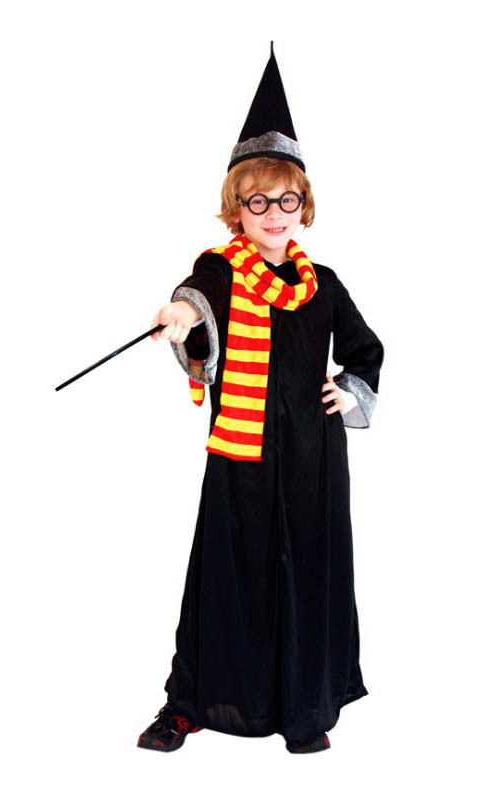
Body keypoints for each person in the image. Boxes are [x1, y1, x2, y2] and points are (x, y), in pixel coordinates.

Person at [136, 43, 384, 755]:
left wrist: (351, 391)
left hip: (311, 458)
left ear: (303, 206)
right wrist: (180, 314)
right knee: (226, 575)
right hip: (240, 458)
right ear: (236, 208)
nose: (273, 213)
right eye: (258, 201)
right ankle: (189, 703)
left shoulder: (323, 284)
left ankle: (304, 704)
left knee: (306, 573)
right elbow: (197, 300)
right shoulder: (221, 269)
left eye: (286, 200)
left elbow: (365, 349)